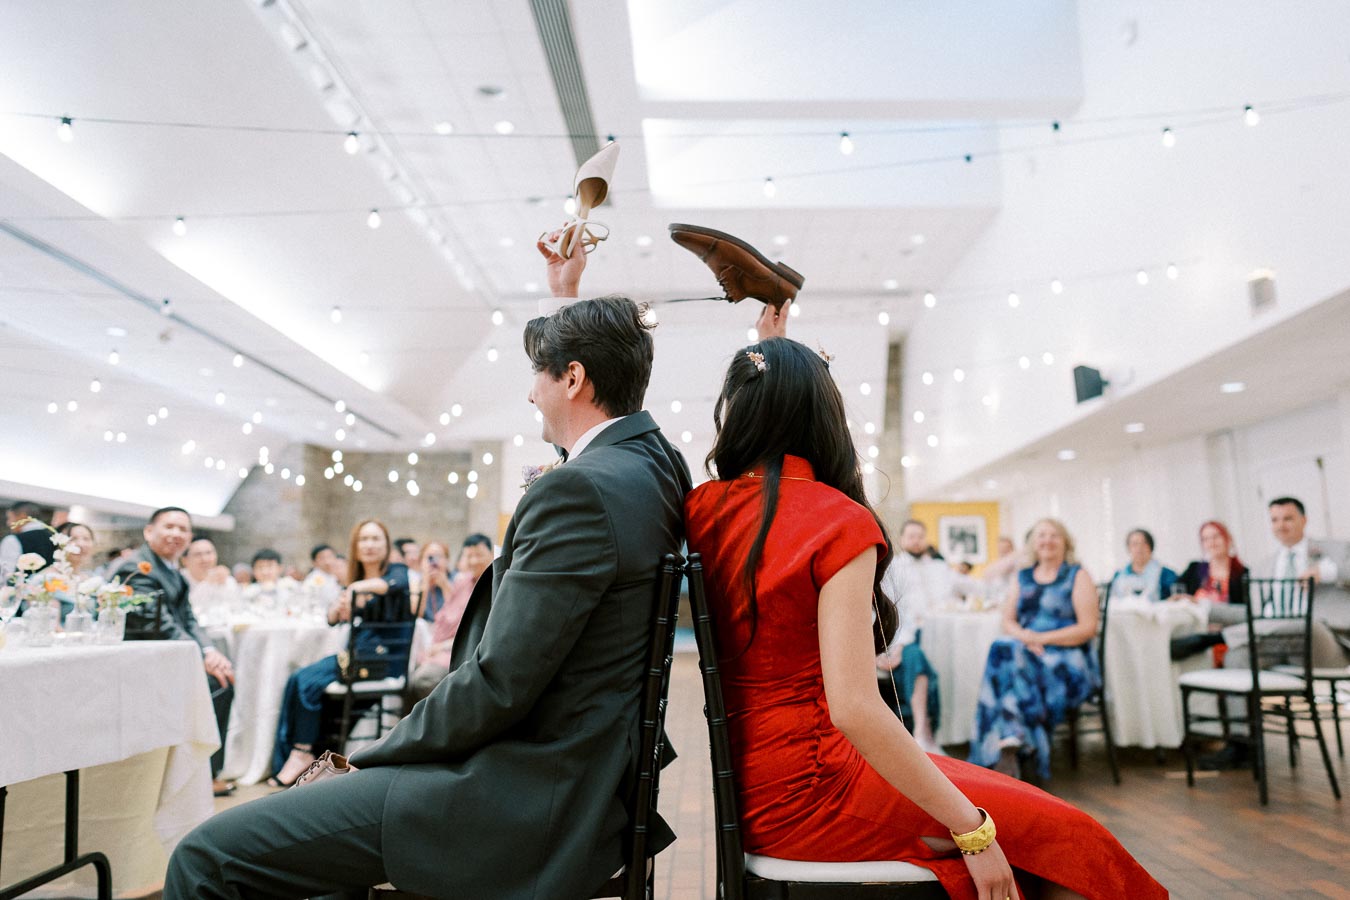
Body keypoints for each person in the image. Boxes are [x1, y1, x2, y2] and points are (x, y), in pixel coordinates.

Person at [168, 238, 691, 900]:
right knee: (307, 847)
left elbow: (499, 684)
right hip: (582, 779)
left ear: (574, 379)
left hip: (513, 794)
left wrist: (371, 756)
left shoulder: (580, 491)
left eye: (537, 374)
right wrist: (564, 293)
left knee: (206, 854)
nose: (530, 395)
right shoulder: (656, 467)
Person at [684, 320, 1163, 899]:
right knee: (1072, 837)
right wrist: (974, 832)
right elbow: (855, 710)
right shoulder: (834, 519)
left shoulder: (700, 509)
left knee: (1032, 827)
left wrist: (772, 350)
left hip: (749, 785)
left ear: (736, 413)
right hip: (819, 785)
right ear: (824, 416)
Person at [1197, 498, 1347, 770]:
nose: (1281, 526)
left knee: (1306, 622)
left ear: (1304, 519)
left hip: (1324, 646)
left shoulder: (1334, 551)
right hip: (1277, 644)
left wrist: (1325, 572)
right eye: (1275, 520)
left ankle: (1216, 638)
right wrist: (1202, 608)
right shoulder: (1264, 567)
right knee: (1238, 656)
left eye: (1288, 518)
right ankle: (1243, 745)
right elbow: (1254, 617)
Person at [268, 519, 411, 787]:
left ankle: (302, 754)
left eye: (375, 539)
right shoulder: (356, 578)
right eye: (363, 540)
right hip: (357, 656)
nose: (369, 545)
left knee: (307, 682)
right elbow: (334, 618)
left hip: (383, 661)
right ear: (355, 547)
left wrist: (355, 589)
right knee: (297, 680)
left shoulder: (396, 571)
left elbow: (393, 584)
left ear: (386, 544)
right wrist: (337, 609)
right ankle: (304, 755)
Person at [968, 518, 1101, 782]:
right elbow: (1008, 621)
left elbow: (1087, 628)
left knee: (1010, 658)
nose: (1048, 540)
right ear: (1032, 543)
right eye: (1042, 535)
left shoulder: (1078, 575)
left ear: (1066, 543)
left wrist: (1041, 637)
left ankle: (1012, 744)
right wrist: (1027, 638)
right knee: (1004, 648)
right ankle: (1016, 743)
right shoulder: (1023, 576)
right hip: (1028, 651)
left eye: (1054, 535)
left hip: (1068, 657)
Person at [116, 507, 236, 797]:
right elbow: (158, 625)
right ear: (149, 531)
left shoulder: (172, 570)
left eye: (183, 529)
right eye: (169, 527)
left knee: (223, 677)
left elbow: (188, 619)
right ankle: (201, 774)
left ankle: (199, 770)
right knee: (219, 684)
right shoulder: (137, 568)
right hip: (144, 660)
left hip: (172, 654)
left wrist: (208, 649)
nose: (176, 534)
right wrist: (201, 656)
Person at [876, 520, 947, 754]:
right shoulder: (893, 569)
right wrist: (883, 651)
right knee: (916, 657)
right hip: (893, 639)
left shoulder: (937, 567)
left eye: (920, 536)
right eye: (911, 536)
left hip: (921, 635)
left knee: (922, 657)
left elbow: (908, 615)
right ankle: (920, 731)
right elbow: (887, 616)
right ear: (902, 539)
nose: (916, 540)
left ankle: (924, 731)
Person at [409, 535, 493, 701]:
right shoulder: (461, 582)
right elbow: (440, 616)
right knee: (412, 678)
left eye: (479, 555)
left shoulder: (488, 583)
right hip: (435, 647)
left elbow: (468, 626)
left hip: (461, 650)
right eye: (469, 556)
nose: (473, 561)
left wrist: (445, 584)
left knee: (421, 679)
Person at [1108, 529, 1179, 603]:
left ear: (1151, 547)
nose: (1139, 548)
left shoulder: (1166, 575)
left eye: (1144, 543)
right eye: (1135, 544)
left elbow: (1176, 600)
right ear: (1129, 548)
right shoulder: (1118, 576)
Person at [51, 521, 98, 622]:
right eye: (73, 539)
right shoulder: (47, 579)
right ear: (60, 543)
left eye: (86, 539)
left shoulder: (94, 579)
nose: (81, 544)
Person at [183, 537, 239, 618]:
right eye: (198, 554)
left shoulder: (227, 580)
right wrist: (206, 583)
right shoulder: (179, 580)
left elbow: (236, 609)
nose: (205, 559)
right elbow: (186, 610)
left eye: (209, 553)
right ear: (185, 560)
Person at [0, 500, 52, 573]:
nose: (8, 523)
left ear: (22, 516)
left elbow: (5, 572)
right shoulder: (54, 538)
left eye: (10, 518)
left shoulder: (13, 540)